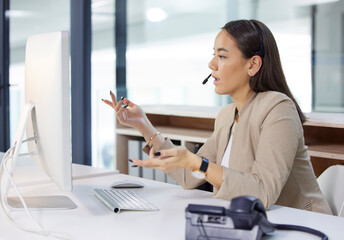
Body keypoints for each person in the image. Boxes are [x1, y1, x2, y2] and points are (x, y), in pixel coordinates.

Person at [102, 19, 332, 215]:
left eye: (222, 56)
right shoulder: (226, 116)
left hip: (306, 226)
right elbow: (188, 175)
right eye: (214, 55)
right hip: (254, 223)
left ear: (253, 64)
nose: (211, 64)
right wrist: (143, 125)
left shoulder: (279, 108)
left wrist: (197, 162)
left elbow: (262, 192)